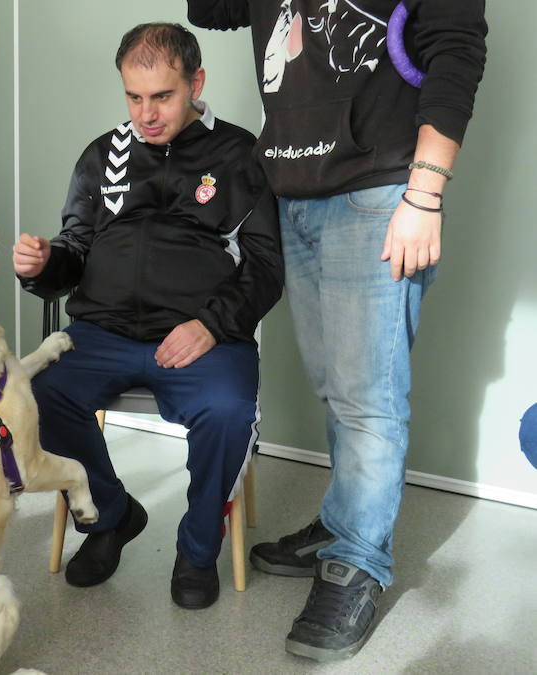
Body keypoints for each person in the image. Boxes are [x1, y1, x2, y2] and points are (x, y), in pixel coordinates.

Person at [187, 0, 488, 660]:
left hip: (380, 190)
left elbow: (457, 50)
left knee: (366, 397)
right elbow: (212, 10)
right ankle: (341, 519)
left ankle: (356, 561)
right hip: (295, 191)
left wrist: (426, 194)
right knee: (335, 383)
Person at [14, 23, 283, 610]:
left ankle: (196, 549)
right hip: (102, 330)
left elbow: (266, 266)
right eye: (134, 97)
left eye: (162, 96)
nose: (147, 113)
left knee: (228, 408)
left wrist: (212, 324)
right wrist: (41, 266)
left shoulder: (238, 155)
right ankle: (109, 517)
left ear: (196, 83)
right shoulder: (101, 154)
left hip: (203, 334)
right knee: (32, 393)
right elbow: (75, 253)